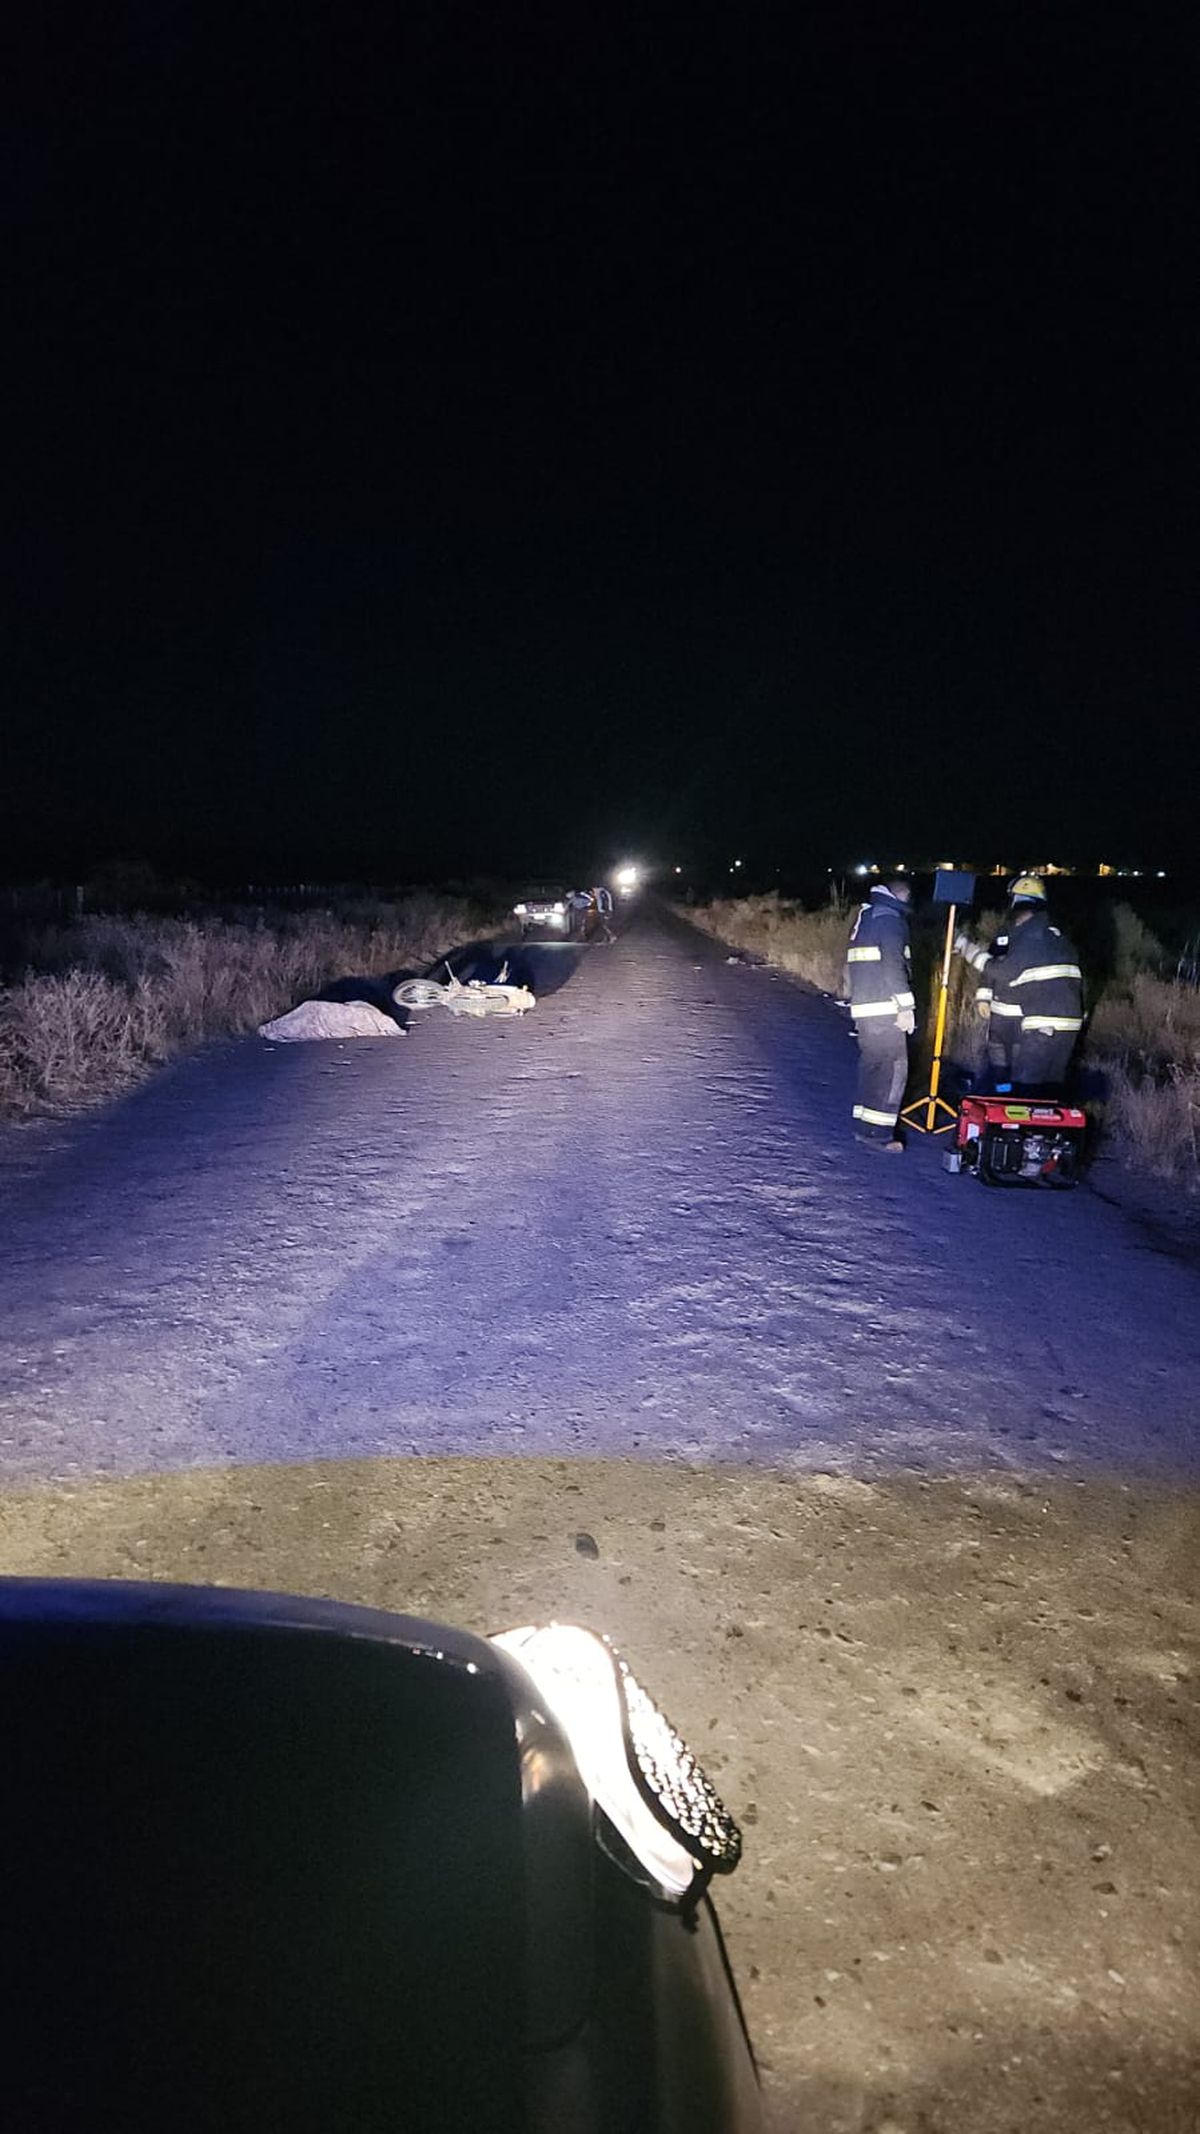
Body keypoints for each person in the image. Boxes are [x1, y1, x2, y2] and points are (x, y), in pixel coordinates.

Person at [955, 876, 1083, 1095]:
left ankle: (1020, 1124)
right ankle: (1045, 1128)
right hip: (1067, 1023)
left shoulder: (1029, 936)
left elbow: (1002, 970)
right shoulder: (1055, 936)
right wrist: (984, 995)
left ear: (1017, 903)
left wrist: (965, 948)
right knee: (1049, 1088)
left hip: (1041, 1022)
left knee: (1026, 1089)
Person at [843, 877, 916, 1151]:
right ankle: (880, 1135)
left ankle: (864, 1126)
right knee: (894, 1069)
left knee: (872, 1066)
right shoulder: (891, 920)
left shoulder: (866, 917)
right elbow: (893, 966)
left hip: (865, 1007)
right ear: (902, 897)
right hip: (886, 1009)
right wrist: (906, 1007)